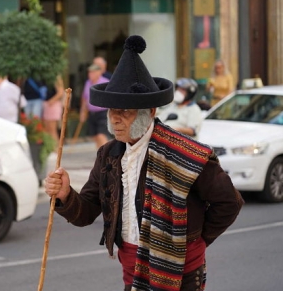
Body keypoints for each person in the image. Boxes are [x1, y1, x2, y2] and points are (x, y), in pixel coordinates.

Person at [45, 35, 244, 291]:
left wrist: (195, 240)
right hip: (132, 269)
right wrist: (65, 195)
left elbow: (229, 202)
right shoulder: (108, 155)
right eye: (111, 111)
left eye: (124, 111)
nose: (115, 119)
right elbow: (86, 212)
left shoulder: (186, 153)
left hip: (181, 272)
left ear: (150, 112)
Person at [80, 64, 111, 149]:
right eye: (89, 72)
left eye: (92, 72)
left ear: (99, 72)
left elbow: (110, 97)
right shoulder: (88, 83)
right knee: (95, 136)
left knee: (101, 135)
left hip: (103, 112)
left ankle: (107, 154)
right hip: (92, 113)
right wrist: (83, 112)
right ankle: (101, 155)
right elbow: (84, 98)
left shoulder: (105, 82)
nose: (90, 74)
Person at [43, 75, 64, 147]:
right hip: (48, 105)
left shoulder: (56, 77)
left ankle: (56, 150)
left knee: (52, 130)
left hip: (53, 105)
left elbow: (60, 92)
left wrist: (51, 101)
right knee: (47, 129)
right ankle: (52, 149)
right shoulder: (47, 78)